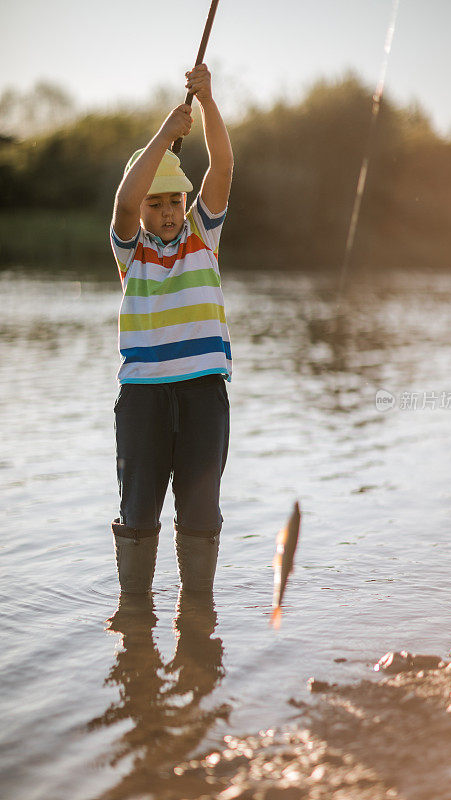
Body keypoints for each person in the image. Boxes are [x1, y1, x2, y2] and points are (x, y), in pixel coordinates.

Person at [109, 64, 233, 595]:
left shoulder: (203, 235)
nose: (165, 212)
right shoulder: (130, 249)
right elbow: (122, 201)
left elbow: (223, 164)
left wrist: (206, 103)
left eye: (173, 201)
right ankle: (135, 616)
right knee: (138, 507)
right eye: (154, 203)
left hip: (204, 391)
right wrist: (164, 133)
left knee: (201, 507)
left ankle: (197, 612)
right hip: (142, 397)